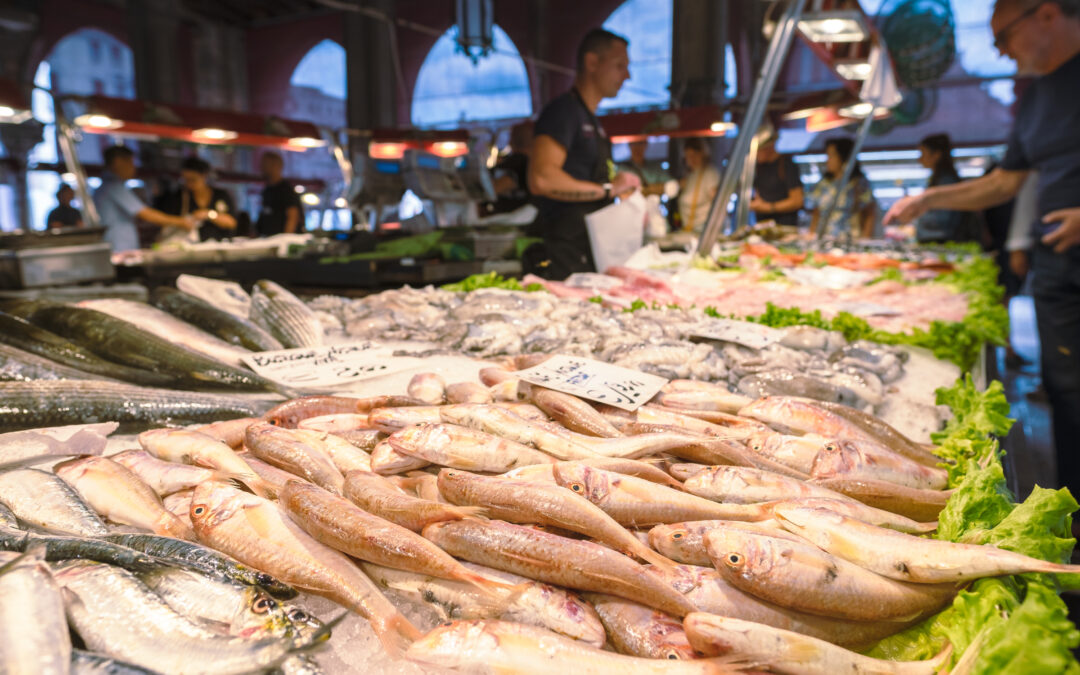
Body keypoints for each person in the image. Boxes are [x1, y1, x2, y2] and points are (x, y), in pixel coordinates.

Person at [884, 0, 1080, 498]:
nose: (999, 51)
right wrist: (928, 199)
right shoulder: (1037, 99)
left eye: (1003, 36)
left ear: (1046, 13)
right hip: (1059, 272)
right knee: (1066, 392)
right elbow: (1003, 183)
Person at [525, 28, 641, 278]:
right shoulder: (563, 112)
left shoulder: (593, 120)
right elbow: (542, 179)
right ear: (592, 63)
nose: (627, 76)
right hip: (562, 258)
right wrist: (608, 189)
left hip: (588, 253)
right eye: (620, 66)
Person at [93, 145, 196, 252]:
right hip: (119, 249)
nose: (134, 168)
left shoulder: (106, 186)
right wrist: (182, 222)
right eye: (131, 162)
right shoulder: (113, 186)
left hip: (119, 248)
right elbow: (145, 214)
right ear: (118, 162)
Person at [156, 157, 238, 243]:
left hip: (220, 244)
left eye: (193, 179)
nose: (189, 183)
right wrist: (183, 222)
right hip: (188, 246)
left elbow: (231, 223)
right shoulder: (179, 197)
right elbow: (165, 220)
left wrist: (209, 214)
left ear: (204, 176)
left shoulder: (220, 195)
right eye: (185, 180)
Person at [809, 137, 877, 239]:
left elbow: (870, 213)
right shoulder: (823, 184)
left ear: (843, 156)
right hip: (823, 239)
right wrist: (811, 234)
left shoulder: (859, 184)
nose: (828, 160)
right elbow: (816, 213)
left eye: (832, 156)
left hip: (851, 240)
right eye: (827, 156)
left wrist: (866, 238)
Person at [915, 134, 979, 243]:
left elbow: (944, 218)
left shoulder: (946, 181)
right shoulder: (939, 179)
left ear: (937, 155)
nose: (920, 159)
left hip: (942, 241)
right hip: (941, 241)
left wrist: (916, 211)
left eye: (922, 154)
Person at [750, 131, 804, 226]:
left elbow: (797, 201)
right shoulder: (758, 167)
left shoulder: (787, 165)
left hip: (784, 227)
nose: (756, 154)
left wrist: (769, 208)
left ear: (769, 147)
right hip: (762, 226)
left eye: (759, 150)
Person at [677, 137, 720, 234]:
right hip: (688, 230)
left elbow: (717, 202)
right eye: (688, 156)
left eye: (695, 155)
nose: (691, 159)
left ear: (703, 154)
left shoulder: (710, 174)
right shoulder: (688, 175)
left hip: (704, 230)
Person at [488, 121, 533, 214]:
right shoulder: (529, 166)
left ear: (511, 141)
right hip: (518, 218)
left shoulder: (503, 164)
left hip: (496, 215)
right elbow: (498, 187)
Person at [256, 152, 302, 236]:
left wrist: (285, 239)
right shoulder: (266, 190)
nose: (262, 167)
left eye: (266, 164)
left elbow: (292, 216)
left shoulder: (286, 190)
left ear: (276, 166)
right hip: (268, 238)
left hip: (280, 240)